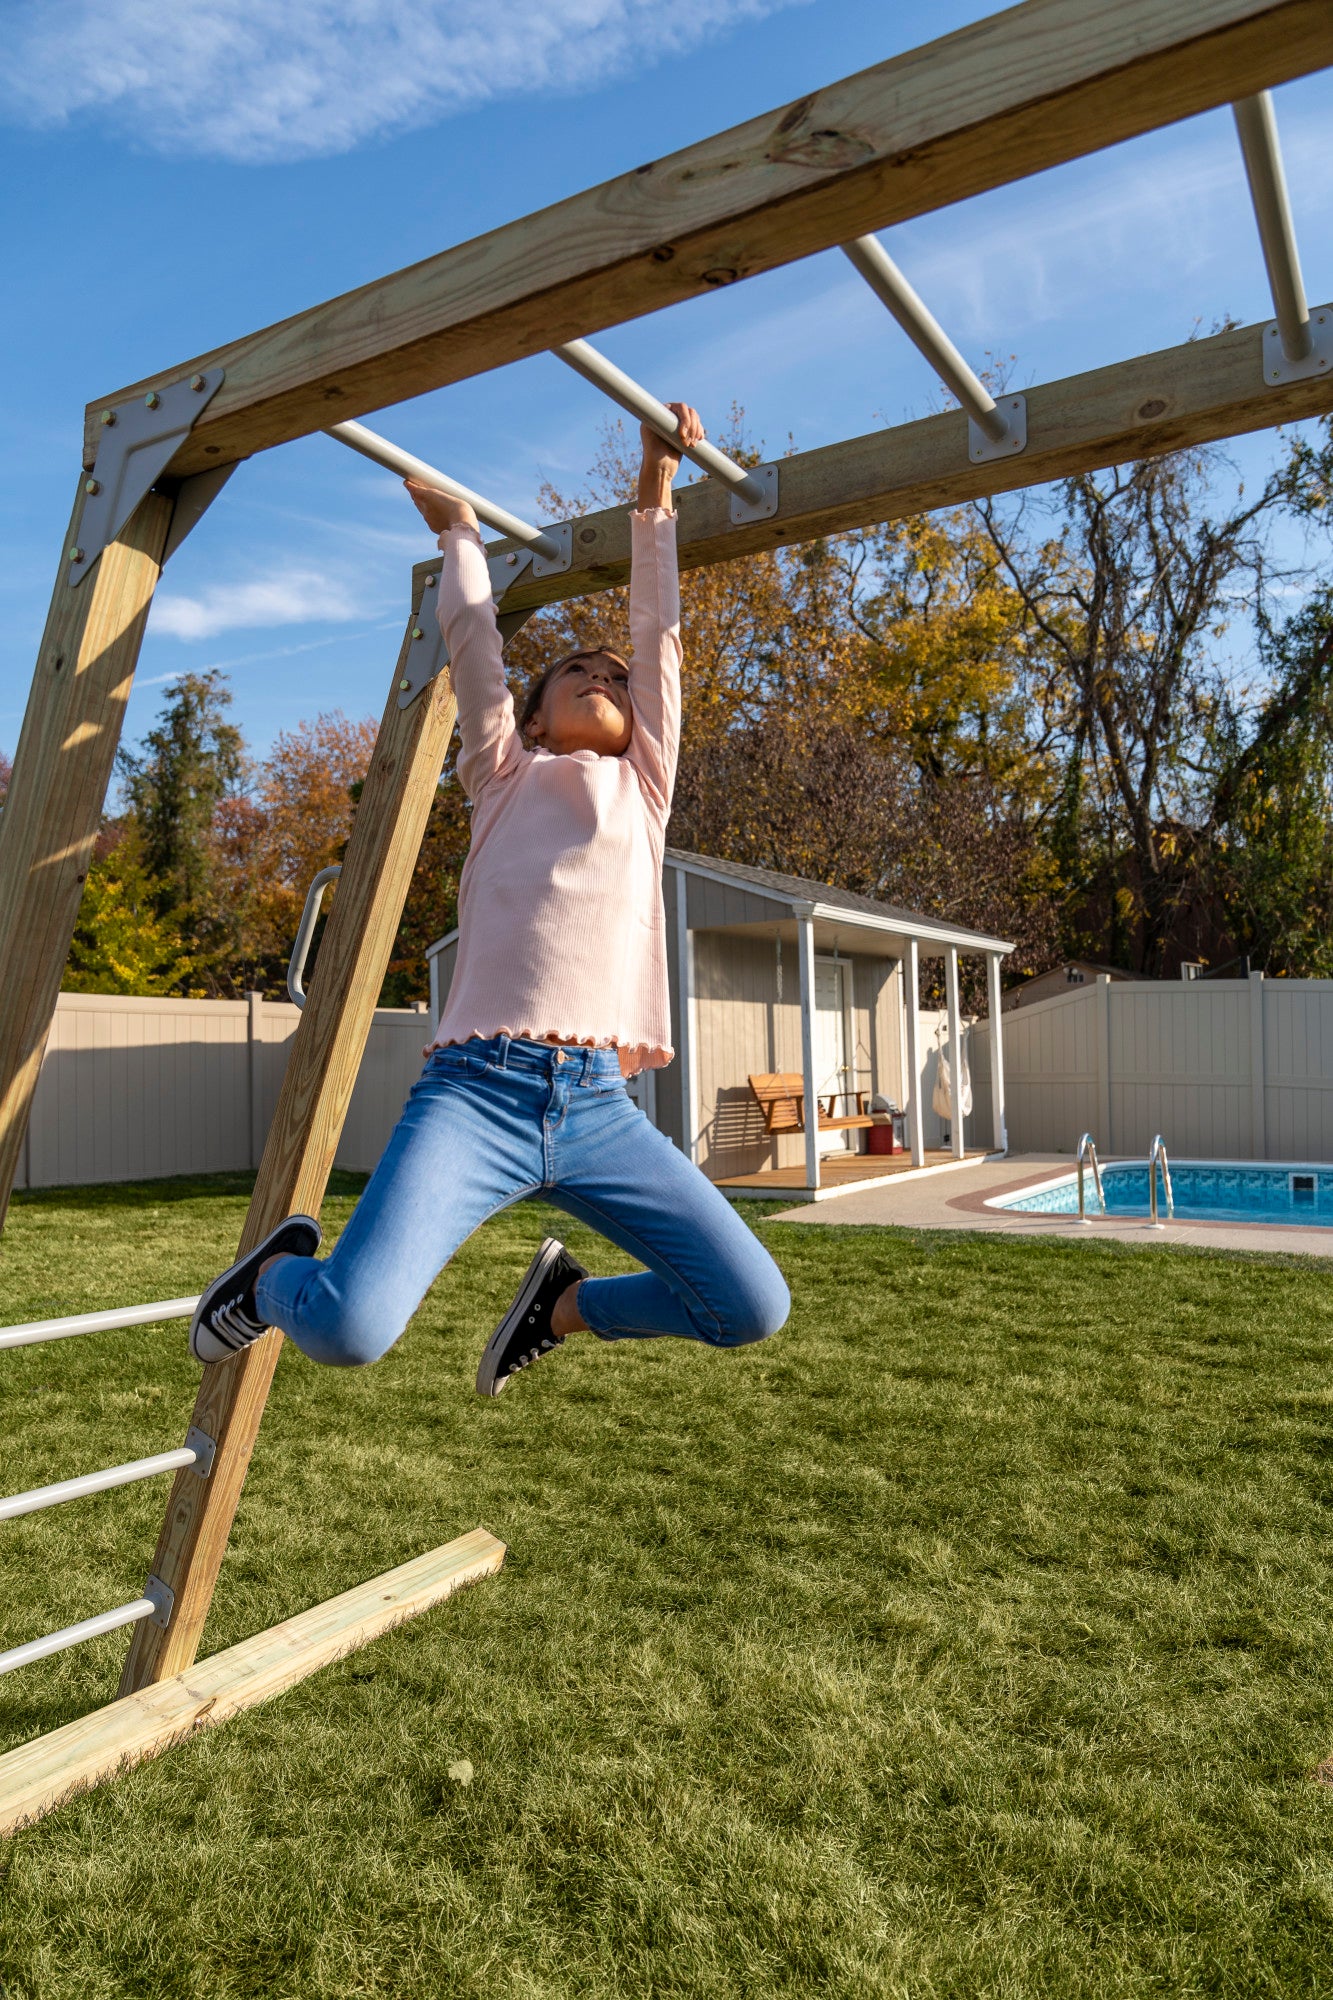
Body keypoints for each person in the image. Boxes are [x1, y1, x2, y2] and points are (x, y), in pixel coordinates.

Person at [189, 404, 790, 1395]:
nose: (603, 673)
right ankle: (276, 1278)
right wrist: (457, 531)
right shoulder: (502, 773)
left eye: (616, 677)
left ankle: (566, 1304)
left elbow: (659, 632)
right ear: (536, 715)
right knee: (346, 1330)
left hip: (599, 1102)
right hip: (477, 1092)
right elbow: (474, 641)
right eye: (576, 673)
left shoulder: (646, 782)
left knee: (748, 1304)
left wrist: (655, 488)